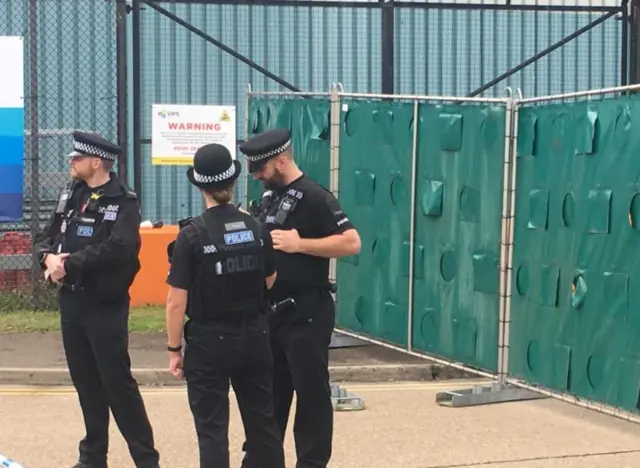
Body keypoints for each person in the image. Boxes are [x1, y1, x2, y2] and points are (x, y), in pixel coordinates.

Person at [33, 132, 160, 468]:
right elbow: (45, 236)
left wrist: (68, 262)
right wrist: (47, 257)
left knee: (117, 384)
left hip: (104, 305)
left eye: (77, 158)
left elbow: (119, 249)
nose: (71, 163)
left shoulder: (123, 201)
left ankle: (146, 460)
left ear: (97, 162)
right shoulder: (71, 194)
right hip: (72, 302)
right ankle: (92, 458)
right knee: (86, 382)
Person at [239, 128, 362, 468]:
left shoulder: (315, 197)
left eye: (261, 168)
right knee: (270, 396)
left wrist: (300, 244)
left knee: (310, 397)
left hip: (306, 312)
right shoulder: (270, 197)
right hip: (272, 314)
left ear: (281, 161)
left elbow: (351, 243)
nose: (256, 175)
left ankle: (311, 462)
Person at [164, 143, 286, 468]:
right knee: (263, 424)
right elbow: (270, 280)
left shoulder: (191, 237)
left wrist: (174, 349)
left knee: (212, 430)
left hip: (209, 342)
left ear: (199, 184)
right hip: (255, 335)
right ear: (232, 181)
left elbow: (176, 302)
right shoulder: (257, 228)